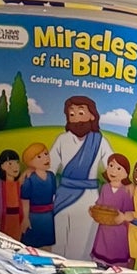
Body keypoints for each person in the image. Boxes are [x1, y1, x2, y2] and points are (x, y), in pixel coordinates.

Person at [49, 94, 113, 258]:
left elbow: (112, 168)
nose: (76, 118)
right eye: (72, 114)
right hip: (62, 197)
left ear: (92, 115)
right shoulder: (62, 140)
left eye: (81, 112)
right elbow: (50, 168)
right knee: (58, 245)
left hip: (88, 198)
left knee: (80, 248)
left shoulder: (99, 141)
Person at [88, 152, 135, 268]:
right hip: (104, 229)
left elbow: (131, 214)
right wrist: (92, 210)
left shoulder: (126, 191)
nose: (113, 171)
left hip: (118, 231)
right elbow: (99, 205)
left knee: (116, 259)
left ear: (126, 173)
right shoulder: (105, 188)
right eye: (111, 166)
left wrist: (123, 217)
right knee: (101, 257)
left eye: (119, 168)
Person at [19, 142, 58, 248]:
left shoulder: (51, 176)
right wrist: (25, 218)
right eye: (39, 157)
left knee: (47, 246)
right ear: (30, 162)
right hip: (34, 217)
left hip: (48, 217)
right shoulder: (30, 178)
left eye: (46, 154)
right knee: (31, 246)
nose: (45, 158)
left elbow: (54, 195)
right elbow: (25, 200)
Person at [0, 151, 27, 241]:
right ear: (2, 166)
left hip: (16, 220)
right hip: (4, 220)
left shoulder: (19, 185)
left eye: (17, 163)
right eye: (10, 163)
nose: (15, 166)